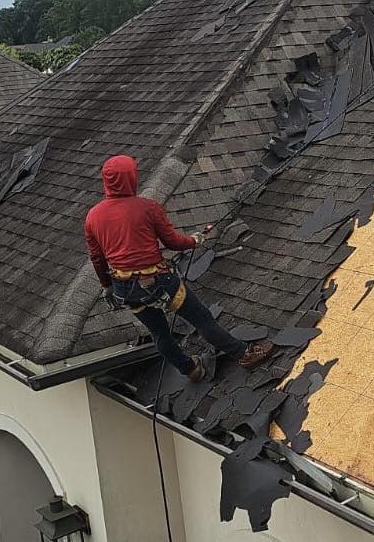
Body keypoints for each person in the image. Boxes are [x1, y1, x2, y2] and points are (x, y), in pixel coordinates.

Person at [84, 155, 274, 381]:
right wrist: (194, 240)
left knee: (159, 332)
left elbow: (97, 258)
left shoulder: (93, 216)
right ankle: (244, 354)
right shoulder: (148, 208)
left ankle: (190, 370)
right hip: (158, 280)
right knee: (201, 319)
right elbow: (173, 242)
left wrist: (106, 286)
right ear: (130, 178)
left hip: (125, 288)